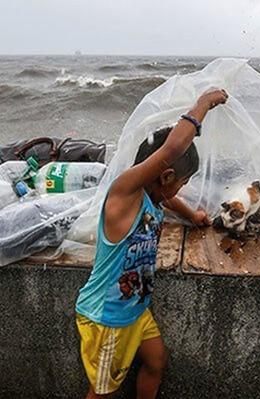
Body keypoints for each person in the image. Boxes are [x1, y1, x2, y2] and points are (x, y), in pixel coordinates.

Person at [74, 89, 228, 398]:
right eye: (182, 182)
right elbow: (172, 149)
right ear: (166, 174)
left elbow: (169, 199)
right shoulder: (124, 194)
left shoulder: (152, 197)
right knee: (102, 392)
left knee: (156, 362)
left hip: (135, 310)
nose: (180, 189)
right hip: (107, 319)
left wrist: (193, 214)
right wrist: (203, 104)